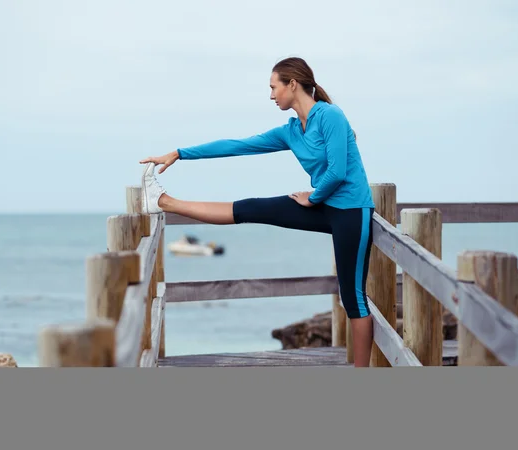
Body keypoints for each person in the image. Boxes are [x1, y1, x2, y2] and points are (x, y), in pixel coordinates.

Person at [139, 57, 375, 367]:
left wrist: (313, 197)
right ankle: (164, 202)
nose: (271, 95)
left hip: (350, 210)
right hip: (322, 204)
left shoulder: (330, 116)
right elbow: (237, 145)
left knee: (353, 298)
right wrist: (180, 154)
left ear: (292, 84)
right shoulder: (292, 130)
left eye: (273, 87)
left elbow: (339, 172)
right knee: (252, 207)